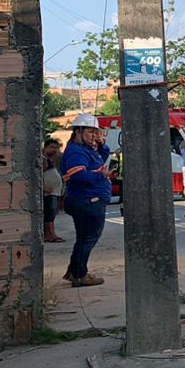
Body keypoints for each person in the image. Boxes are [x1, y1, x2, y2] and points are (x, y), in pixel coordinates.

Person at [60, 113, 113, 287]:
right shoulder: (76, 152)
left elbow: (101, 158)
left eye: (95, 132)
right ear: (79, 132)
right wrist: (100, 175)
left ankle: (74, 270)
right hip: (87, 201)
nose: (94, 136)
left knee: (84, 238)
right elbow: (78, 175)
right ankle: (79, 275)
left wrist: (101, 144)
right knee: (88, 239)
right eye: (90, 132)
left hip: (91, 200)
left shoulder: (88, 149)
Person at [41, 139, 65, 242]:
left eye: (56, 148)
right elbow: (35, 175)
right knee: (49, 214)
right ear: (45, 147)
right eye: (52, 147)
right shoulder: (41, 159)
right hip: (48, 192)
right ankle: (50, 235)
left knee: (52, 213)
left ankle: (49, 234)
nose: (54, 150)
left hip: (55, 192)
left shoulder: (52, 159)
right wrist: (43, 187)